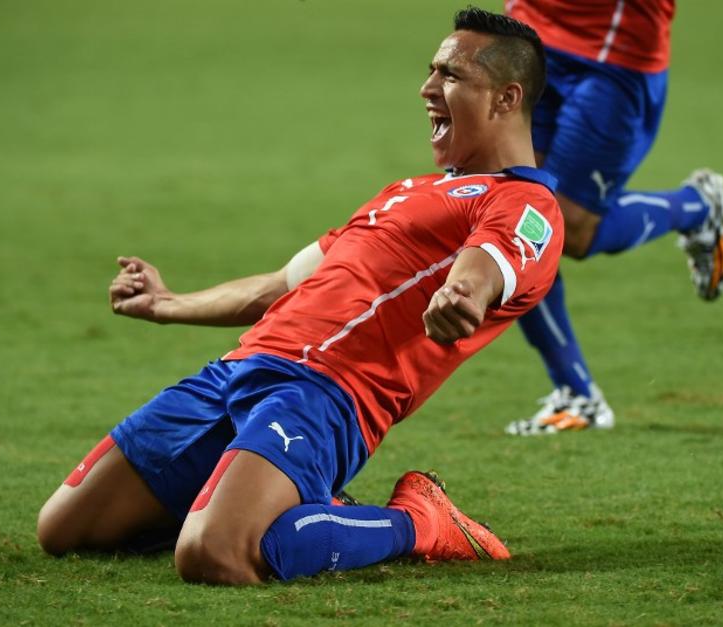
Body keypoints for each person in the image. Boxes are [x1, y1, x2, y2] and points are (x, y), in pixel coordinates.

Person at [36, 8, 562, 584]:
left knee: (214, 555)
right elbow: (283, 284)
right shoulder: (408, 192)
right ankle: (273, 502)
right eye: (431, 72)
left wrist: (461, 296)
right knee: (64, 529)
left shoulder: (525, 204)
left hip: (324, 395)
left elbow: (483, 269)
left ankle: (419, 522)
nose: (427, 88)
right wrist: (167, 304)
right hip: (235, 372)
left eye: (451, 76)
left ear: (507, 98)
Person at [502, 0, 723, 436]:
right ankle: (577, 394)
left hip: (614, 59)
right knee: (509, 214)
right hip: (527, 38)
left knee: (571, 230)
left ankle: (696, 206)